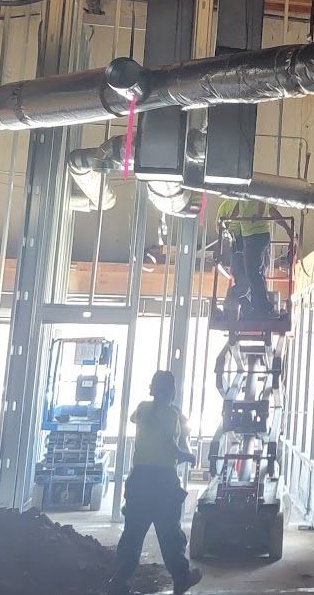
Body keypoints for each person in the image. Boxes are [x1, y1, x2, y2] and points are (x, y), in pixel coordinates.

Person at [107, 371, 201, 595]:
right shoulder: (171, 415)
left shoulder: (142, 408)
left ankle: (119, 582)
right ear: (172, 391)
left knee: (132, 534)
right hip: (162, 482)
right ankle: (181, 578)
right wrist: (188, 456)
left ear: (152, 388)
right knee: (169, 533)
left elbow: (136, 419)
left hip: (139, 480)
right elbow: (170, 445)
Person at [216, 198, 279, 316]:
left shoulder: (251, 197)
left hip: (251, 239)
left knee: (253, 276)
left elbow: (265, 206)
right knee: (248, 279)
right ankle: (248, 308)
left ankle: (257, 307)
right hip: (240, 244)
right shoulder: (228, 204)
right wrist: (226, 228)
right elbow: (221, 225)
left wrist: (259, 214)